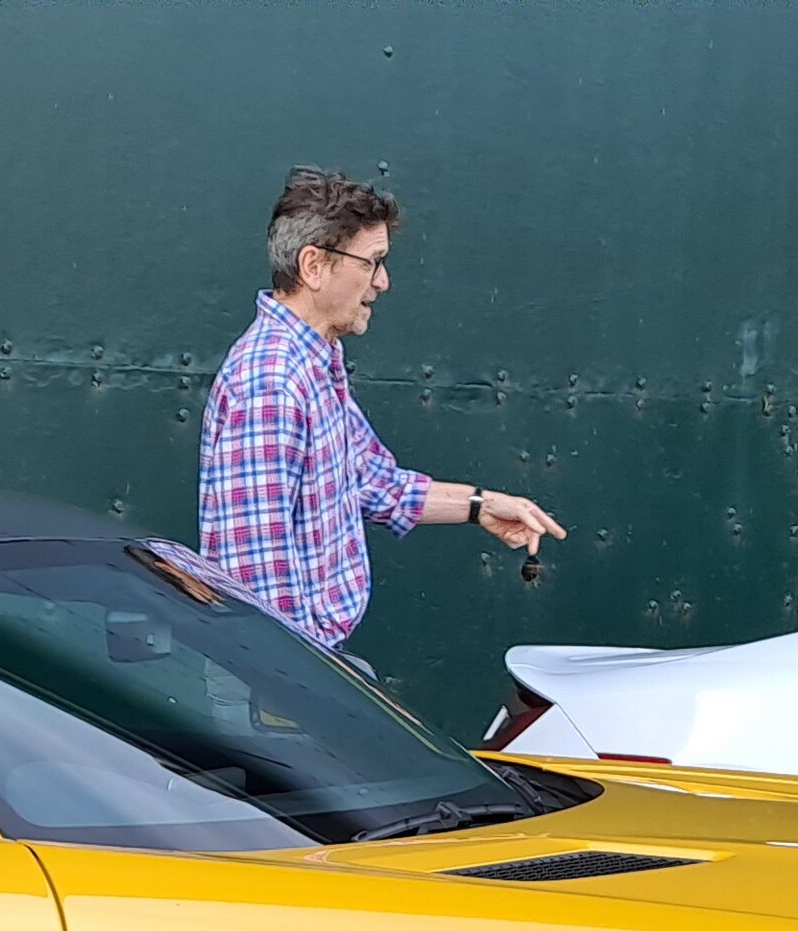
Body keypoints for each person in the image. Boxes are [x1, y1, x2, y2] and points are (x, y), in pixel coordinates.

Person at [195, 168, 566, 658]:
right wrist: (302, 701)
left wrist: (482, 506)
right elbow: (256, 584)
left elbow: (372, 481)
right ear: (314, 266)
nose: (383, 282)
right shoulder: (273, 382)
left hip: (299, 669)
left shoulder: (312, 361)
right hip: (280, 682)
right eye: (373, 263)